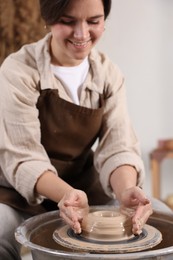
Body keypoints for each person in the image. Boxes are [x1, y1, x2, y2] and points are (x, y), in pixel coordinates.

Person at [0, 0, 153, 259]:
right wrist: (65, 195)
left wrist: (126, 191)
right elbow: (24, 157)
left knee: (158, 220)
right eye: (68, 21)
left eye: (93, 21)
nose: (82, 34)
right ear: (47, 19)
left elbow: (118, 145)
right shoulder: (18, 70)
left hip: (81, 189)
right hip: (18, 194)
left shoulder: (108, 74)